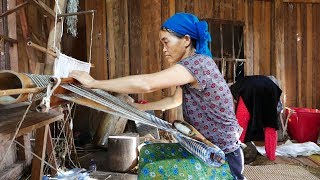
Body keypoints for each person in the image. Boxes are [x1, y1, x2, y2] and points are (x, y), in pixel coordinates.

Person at [70, 12, 244, 180]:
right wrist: (139, 108)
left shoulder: (197, 64)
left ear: (186, 40)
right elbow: (175, 100)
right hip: (201, 146)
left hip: (221, 156)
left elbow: (147, 84)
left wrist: (94, 83)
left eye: (166, 42)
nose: (163, 49)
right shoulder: (195, 65)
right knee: (148, 152)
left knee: (153, 171)